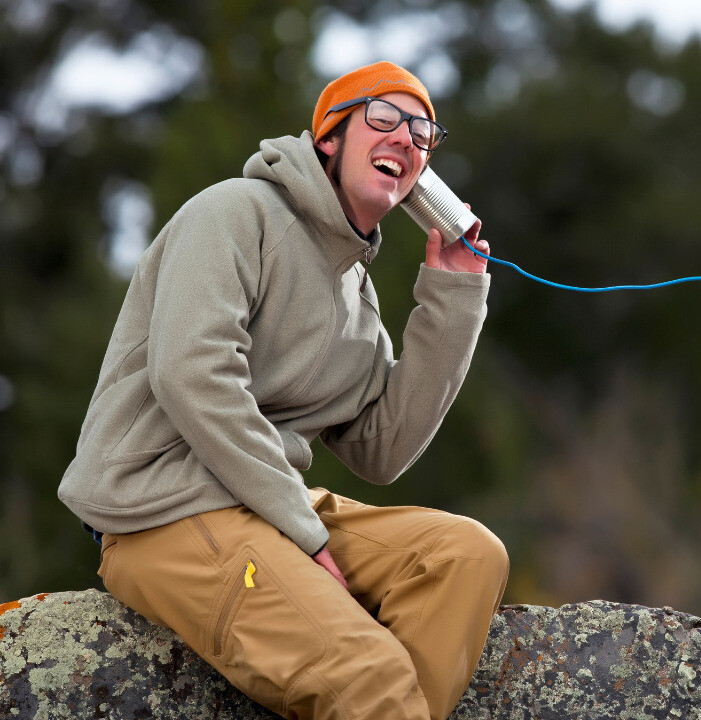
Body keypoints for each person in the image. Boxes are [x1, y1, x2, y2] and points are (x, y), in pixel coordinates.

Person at [58, 61, 509, 720]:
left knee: (465, 556)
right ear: (329, 137)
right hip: (160, 506)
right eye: (382, 118)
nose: (405, 139)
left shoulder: (359, 303)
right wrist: (305, 535)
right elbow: (192, 374)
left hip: (263, 507)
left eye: (422, 134)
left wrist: (456, 293)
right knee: (369, 672)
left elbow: (381, 452)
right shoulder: (236, 212)